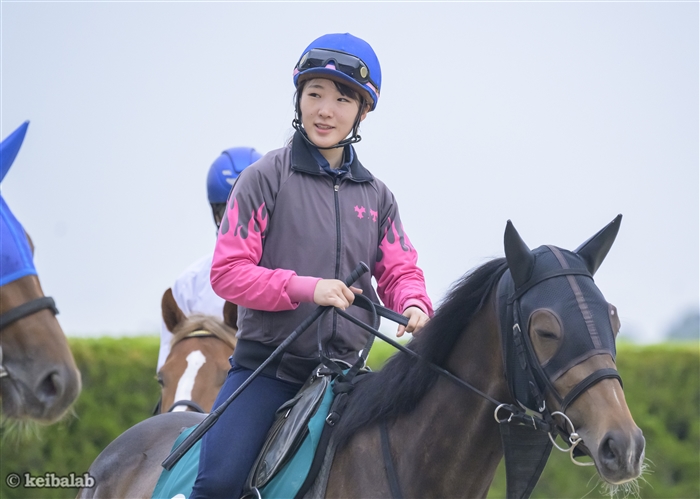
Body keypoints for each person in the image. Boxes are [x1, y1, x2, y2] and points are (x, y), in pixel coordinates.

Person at [190, 32, 433, 499]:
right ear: (298, 98)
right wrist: (307, 288)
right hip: (267, 373)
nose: (325, 110)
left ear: (363, 112)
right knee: (218, 485)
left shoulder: (378, 197)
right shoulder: (264, 178)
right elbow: (228, 273)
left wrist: (416, 303)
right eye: (315, 93)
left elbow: (401, 270)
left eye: (343, 99)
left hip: (348, 378)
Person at [156, 147, 262, 374]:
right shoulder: (189, 284)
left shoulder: (293, 272)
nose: (242, 221)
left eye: (252, 211)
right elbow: (170, 364)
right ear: (216, 215)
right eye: (230, 211)